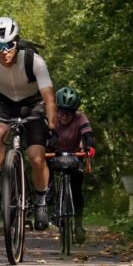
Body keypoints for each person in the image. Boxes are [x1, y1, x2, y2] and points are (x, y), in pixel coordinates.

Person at [0, 16, 58, 230]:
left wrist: (53, 127)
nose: (4, 50)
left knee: (36, 157)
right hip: (5, 103)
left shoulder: (33, 61)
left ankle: (41, 202)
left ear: (16, 42)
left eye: (9, 45)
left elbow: (49, 97)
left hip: (33, 104)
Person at [47, 86, 95, 244]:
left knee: (76, 190)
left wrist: (90, 146)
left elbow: (87, 135)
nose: (64, 116)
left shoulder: (81, 118)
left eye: (68, 112)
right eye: (61, 111)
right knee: (45, 172)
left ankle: (78, 225)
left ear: (74, 112)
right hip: (54, 154)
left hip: (75, 155)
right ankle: (50, 200)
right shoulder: (51, 117)